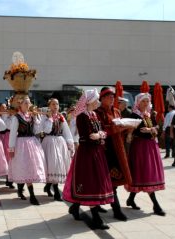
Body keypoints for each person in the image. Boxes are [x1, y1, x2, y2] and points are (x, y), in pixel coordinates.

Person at [62, 89, 114, 230]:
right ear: (90, 101)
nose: (98, 101)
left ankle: (75, 207)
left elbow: (103, 132)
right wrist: (98, 135)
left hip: (96, 152)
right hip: (87, 153)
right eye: (96, 99)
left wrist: (99, 135)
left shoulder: (94, 114)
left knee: (93, 182)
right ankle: (96, 219)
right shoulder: (82, 117)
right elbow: (87, 136)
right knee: (90, 183)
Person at [125, 93, 166, 216]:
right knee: (144, 173)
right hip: (140, 147)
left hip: (150, 146)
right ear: (138, 102)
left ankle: (131, 199)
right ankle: (156, 206)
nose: (146, 103)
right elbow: (133, 131)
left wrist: (151, 130)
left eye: (147, 101)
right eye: (143, 101)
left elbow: (155, 129)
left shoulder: (148, 114)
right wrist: (150, 130)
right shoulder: (134, 115)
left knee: (145, 174)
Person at [95, 86, 132, 221]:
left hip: (117, 148)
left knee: (113, 181)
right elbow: (101, 130)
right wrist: (119, 128)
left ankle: (78, 206)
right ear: (102, 98)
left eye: (113, 97)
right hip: (105, 150)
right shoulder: (97, 112)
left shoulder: (117, 111)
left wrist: (128, 128)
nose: (112, 99)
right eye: (109, 97)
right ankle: (116, 210)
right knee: (108, 181)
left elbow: (120, 127)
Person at [8, 96, 49, 205]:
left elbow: (37, 130)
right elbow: (12, 134)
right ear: (20, 105)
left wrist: (36, 119)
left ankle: (24, 191)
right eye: (25, 103)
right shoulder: (16, 117)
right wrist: (11, 148)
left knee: (30, 168)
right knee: (23, 167)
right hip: (21, 143)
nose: (27, 105)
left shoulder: (31, 116)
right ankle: (31, 195)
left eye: (29, 103)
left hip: (32, 143)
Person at [42, 98, 74, 201]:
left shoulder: (61, 117)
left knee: (57, 165)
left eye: (57, 104)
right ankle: (55, 191)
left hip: (60, 142)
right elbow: (46, 129)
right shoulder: (45, 116)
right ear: (49, 106)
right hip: (49, 142)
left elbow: (66, 131)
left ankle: (49, 186)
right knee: (52, 165)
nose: (55, 106)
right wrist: (50, 118)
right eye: (53, 104)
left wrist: (70, 144)